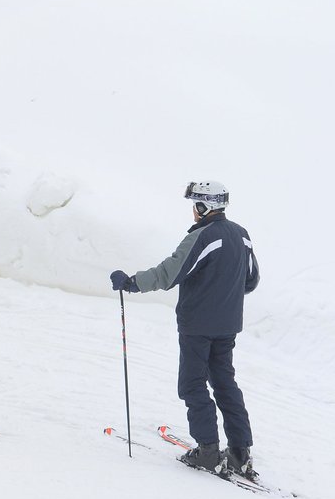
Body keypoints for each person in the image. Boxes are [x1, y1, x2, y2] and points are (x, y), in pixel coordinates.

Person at [110, 181, 260, 476]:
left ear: (206, 207)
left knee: (192, 385)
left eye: (196, 205)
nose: (193, 211)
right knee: (225, 383)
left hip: (198, 326)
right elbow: (251, 280)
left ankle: (207, 452)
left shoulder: (203, 237)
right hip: (228, 326)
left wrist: (132, 282)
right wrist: (223, 293)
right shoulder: (242, 236)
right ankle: (240, 453)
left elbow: (171, 272)